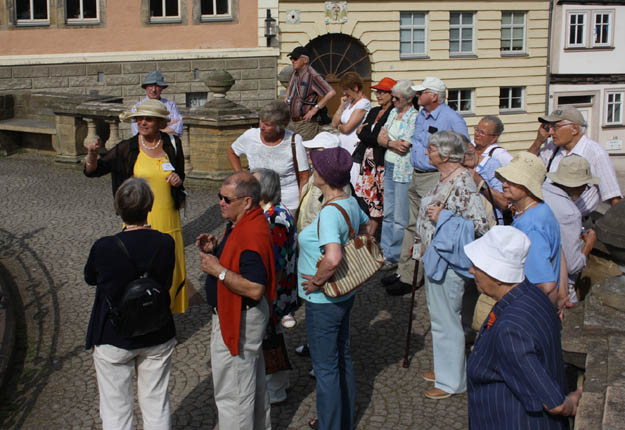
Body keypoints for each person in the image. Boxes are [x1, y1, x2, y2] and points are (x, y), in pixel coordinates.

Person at [465, 226, 582, 429]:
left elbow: (553, 401)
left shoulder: (510, 330)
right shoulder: (533, 294)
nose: (471, 270)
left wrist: (571, 404)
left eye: (477, 266)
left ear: (498, 275)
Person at [84, 177, 177, 430]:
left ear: (119, 208)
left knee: (116, 409)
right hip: (157, 329)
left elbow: (90, 278)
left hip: (114, 334)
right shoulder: (165, 243)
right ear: (150, 206)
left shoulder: (104, 247)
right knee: (156, 402)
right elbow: (166, 280)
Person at [84, 98, 188, 314]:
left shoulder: (172, 144)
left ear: (159, 122)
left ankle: (165, 316)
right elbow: (94, 170)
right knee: (140, 270)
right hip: (140, 219)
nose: (143, 122)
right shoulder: (127, 148)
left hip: (169, 217)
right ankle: (142, 315)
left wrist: (178, 180)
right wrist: (92, 154)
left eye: (148, 119)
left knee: (169, 268)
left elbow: (180, 175)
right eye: (139, 118)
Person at [196, 172, 275, 430]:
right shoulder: (245, 223)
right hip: (240, 316)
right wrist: (217, 250)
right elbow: (241, 262)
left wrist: (217, 269)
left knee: (234, 394)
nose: (220, 202)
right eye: (220, 197)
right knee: (252, 386)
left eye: (227, 199)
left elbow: (254, 288)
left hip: (239, 320)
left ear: (247, 202)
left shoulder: (250, 233)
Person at [297, 147, 369, 430]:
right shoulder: (349, 202)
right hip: (345, 292)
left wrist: (316, 280)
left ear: (323, 176)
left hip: (324, 298)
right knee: (342, 357)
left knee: (325, 367)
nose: (312, 170)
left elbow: (333, 257)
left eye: (316, 167)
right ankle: (343, 418)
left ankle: (329, 425)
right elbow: (366, 230)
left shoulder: (329, 214)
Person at [414, 131, 489, 398]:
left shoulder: (463, 183)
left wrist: (443, 216)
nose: (427, 152)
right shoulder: (445, 177)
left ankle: (451, 382)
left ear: (446, 154)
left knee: (448, 320)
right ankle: (447, 368)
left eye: (431, 148)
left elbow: (481, 227)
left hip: (448, 263)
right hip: (436, 259)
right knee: (440, 318)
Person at [383, 77, 469, 294]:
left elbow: (465, 150)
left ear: (434, 96)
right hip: (416, 174)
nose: (417, 95)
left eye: (422, 92)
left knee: (426, 228)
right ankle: (404, 272)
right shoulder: (422, 114)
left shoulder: (452, 118)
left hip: (434, 177)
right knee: (412, 225)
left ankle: (416, 276)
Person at [495, 152, 569, 312]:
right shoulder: (542, 210)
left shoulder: (530, 225)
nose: (504, 184)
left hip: (532, 310)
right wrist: (563, 294)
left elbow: (545, 285)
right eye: (505, 179)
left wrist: (547, 317)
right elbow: (559, 252)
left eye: (513, 181)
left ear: (528, 186)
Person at [252, 168, 298, 405]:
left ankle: (276, 387)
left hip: (276, 290)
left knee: (270, 337)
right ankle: (279, 382)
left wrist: (269, 295)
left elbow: (277, 262)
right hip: (278, 288)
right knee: (271, 334)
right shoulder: (272, 213)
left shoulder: (274, 218)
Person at [529, 105, 622, 215]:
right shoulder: (553, 148)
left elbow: (613, 196)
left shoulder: (596, 153)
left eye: (555, 127)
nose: (551, 132)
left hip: (577, 222)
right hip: (550, 217)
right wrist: (538, 142)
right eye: (548, 127)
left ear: (574, 129)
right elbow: (526, 167)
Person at [228, 100, 310, 214]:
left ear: (280, 126)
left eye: (267, 124)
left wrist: (302, 205)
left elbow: (304, 177)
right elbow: (232, 152)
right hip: (257, 199)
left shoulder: (294, 140)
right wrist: (241, 176)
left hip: (288, 203)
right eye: (261, 121)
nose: (261, 126)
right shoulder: (250, 136)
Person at [543, 155, 599, 303]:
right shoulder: (570, 213)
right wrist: (588, 246)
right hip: (558, 286)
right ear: (578, 186)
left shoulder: (541, 192)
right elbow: (572, 266)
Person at [377, 80, 418, 273]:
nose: (393, 100)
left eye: (397, 98)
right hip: (390, 164)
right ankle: (386, 252)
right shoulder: (393, 113)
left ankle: (396, 255)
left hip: (403, 169)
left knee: (401, 216)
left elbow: (404, 146)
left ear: (409, 99)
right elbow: (380, 137)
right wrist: (390, 143)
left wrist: (388, 141)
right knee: (388, 213)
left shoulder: (414, 117)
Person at [354, 77, 396, 235]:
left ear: (392, 94)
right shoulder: (373, 111)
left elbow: (379, 138)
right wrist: (367, 135)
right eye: (377, 92)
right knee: (365, 197)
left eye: (382, 92)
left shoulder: (393, 112)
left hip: (380, 162)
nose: (378, 95)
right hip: (367, 162)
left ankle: (373, 234)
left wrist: (364, 134)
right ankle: (369, 233)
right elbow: (367, 134)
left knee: (377, 199)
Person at [284, 46, 336, 141]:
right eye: (291, 58)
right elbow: (290, 87)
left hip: (306, 124)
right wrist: (286, 98)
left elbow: (331, 92)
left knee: (305, 151)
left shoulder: (312, 75)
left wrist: (315, 109)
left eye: (295, 58)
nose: (292, 61)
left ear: (305, 60)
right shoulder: (294, 73)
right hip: (291, 122)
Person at [331, 72, 371, 185]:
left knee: (352, 181)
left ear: (355, 88)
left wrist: (340, 126)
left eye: (346, 89)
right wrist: (342, 105)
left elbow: (348, 128)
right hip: (343, 146)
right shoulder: (349, 102)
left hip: (353, 149)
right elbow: (334, 123)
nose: (344, 93)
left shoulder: (364, 103)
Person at [131, 71, 183, 136]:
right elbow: (138, 133)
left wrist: (151, 130)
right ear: (146, 87)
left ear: (162, 88)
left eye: (157, 86)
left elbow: (177, 129)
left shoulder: (171, 105)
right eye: (150, 86)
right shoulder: (137, 107)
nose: (153, 90)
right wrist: (165, 129)